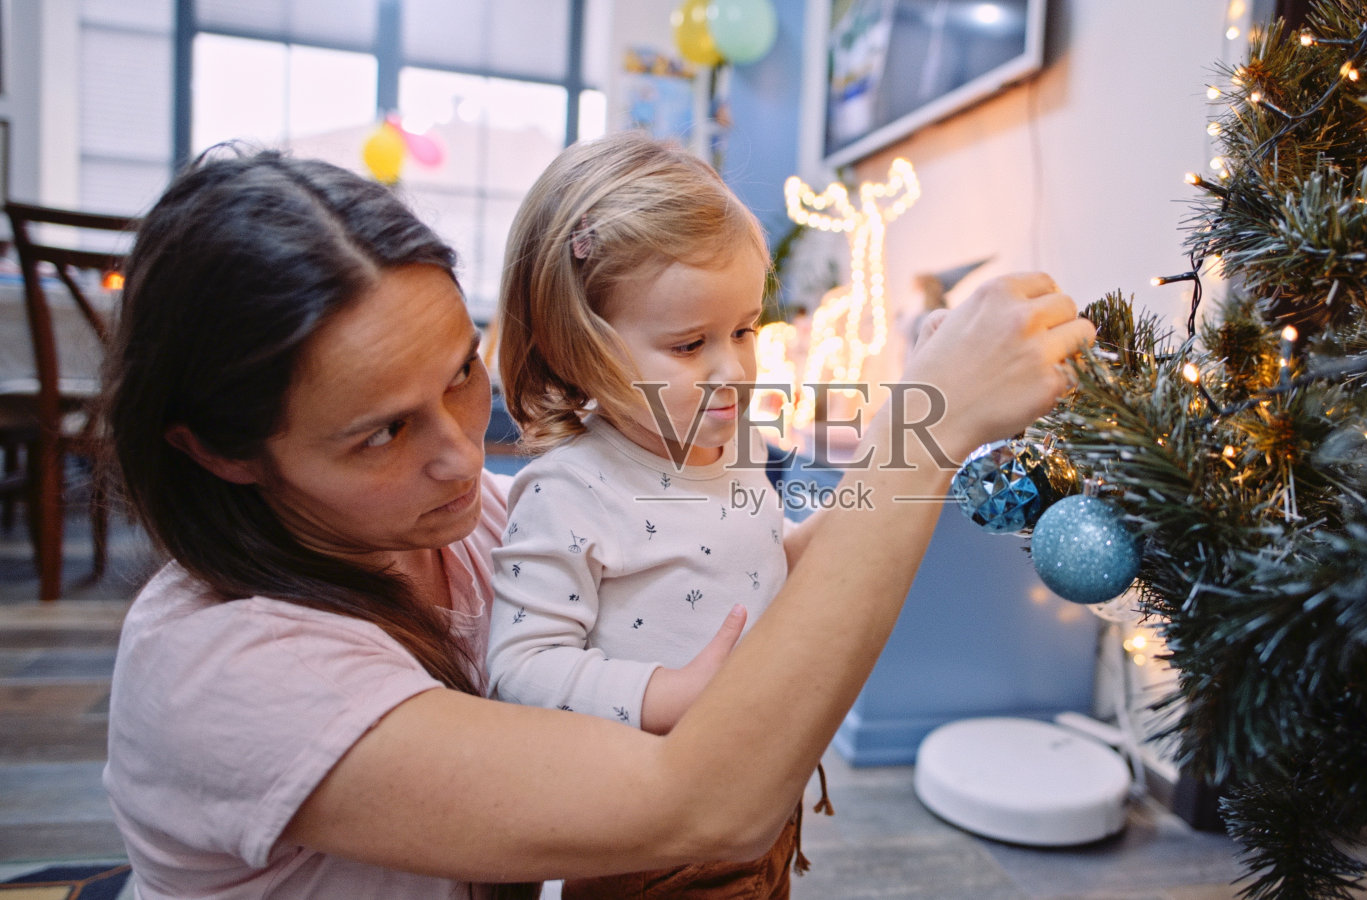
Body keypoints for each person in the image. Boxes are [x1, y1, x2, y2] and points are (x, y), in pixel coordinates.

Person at [100, 146, 1095, 900]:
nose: (460, 454)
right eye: (379, 435)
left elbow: (751, 577)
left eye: (460, 376)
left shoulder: (469, 524)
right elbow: (701, 802)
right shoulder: (226, 670)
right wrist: (923, 428)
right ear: (224, 452)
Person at [487, 134, 823, 897]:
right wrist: (669, 694)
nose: (733, 371)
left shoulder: (737, 442)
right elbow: (517, 668)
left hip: (762, 804)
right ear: (579, 350)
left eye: (743, 330)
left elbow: (764, 556)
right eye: (687, 344)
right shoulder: (569, 492)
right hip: (649, 844)